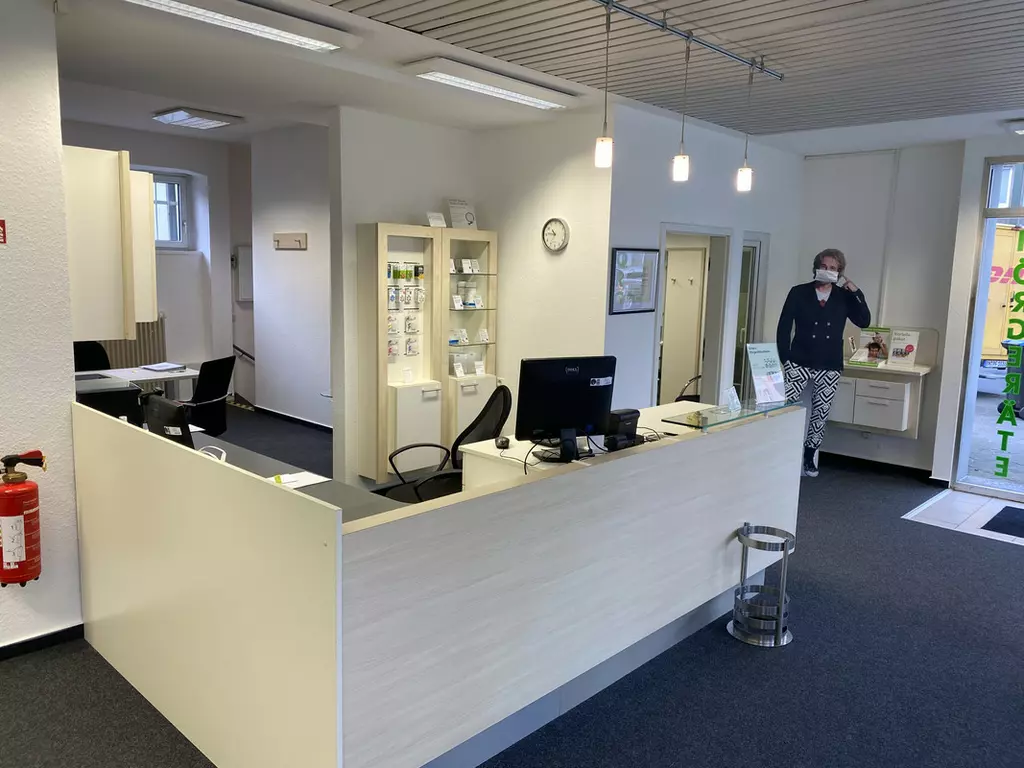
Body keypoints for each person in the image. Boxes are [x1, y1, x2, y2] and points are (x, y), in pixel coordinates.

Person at [776, 248, 871, 477]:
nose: (827, 271)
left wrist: (856, 292)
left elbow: (864, 321)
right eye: (824, 266)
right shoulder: (799, 292)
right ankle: (780, 450)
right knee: (784, 407)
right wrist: (785, 359)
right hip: (799, 359)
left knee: (821, 412)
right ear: (816, 267)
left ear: (839, 272)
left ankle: (809, 455)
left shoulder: (844, 296)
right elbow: (784, 327)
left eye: (833, 268)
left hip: (829, 363)